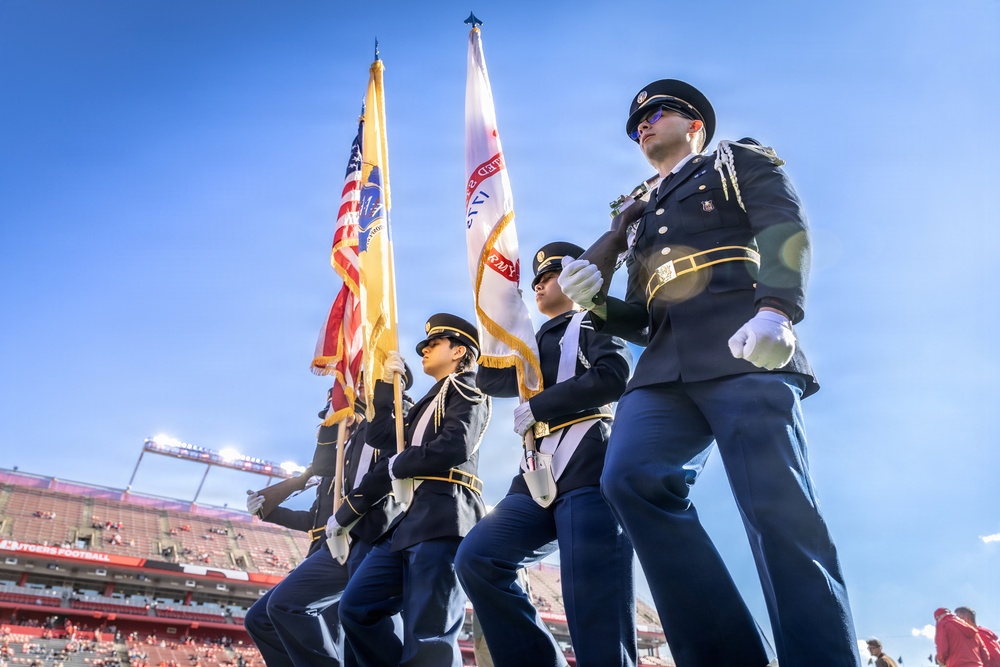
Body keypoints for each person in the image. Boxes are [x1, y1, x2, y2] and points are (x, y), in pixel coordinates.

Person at [558, 78, 859, 667]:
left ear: (694, 123)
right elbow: (644, 315)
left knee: (775, 503)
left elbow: (783, 226)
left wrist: (778, 309)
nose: (642, 125)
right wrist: (597, 302)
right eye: (635, 123)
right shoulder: (640, 214)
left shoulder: (734, 159)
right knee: (630, 480)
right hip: (665, 364)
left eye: (656, 113)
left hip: (744, 339)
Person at [455, 242, 636, 667]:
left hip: (587, 458)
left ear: (575, 279)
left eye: (548, 276)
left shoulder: (593, 320)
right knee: (479, 558)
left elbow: (615, 375)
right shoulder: (529, 343)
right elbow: (489, 381)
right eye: (534, 280)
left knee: (592, 599)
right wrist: (497, 316)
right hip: (535, 472)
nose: (538, 285)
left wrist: (539, 406)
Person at [330, 313, 491, 667]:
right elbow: (381, 437)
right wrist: (388, 386)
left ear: (458, 350)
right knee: (357, 609)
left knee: (429, 634)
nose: (425, 349)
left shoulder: (468, 388)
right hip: (407, 522)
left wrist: (396, 466)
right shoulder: (425, 403)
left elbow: (455, 446)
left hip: (445, 513)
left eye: (434, 344)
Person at [244, 386, 402, 667]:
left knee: (340, 634)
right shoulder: (334, 465)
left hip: (358, 540)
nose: (325, 423)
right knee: (262, 618)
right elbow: (313, 519)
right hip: (325, 546)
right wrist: (268, 511)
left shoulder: (363, 451)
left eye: (333, 413)